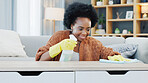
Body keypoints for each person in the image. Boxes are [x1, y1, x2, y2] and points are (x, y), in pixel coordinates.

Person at [35, 2, 120, 61]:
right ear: (72, 26)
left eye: (88, 29)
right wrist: (58, 47)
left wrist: (115, 56)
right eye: (80, 29)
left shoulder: (94, 43)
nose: (84, 33)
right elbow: (40, 59)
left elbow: (106, 52)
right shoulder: (59, 36)